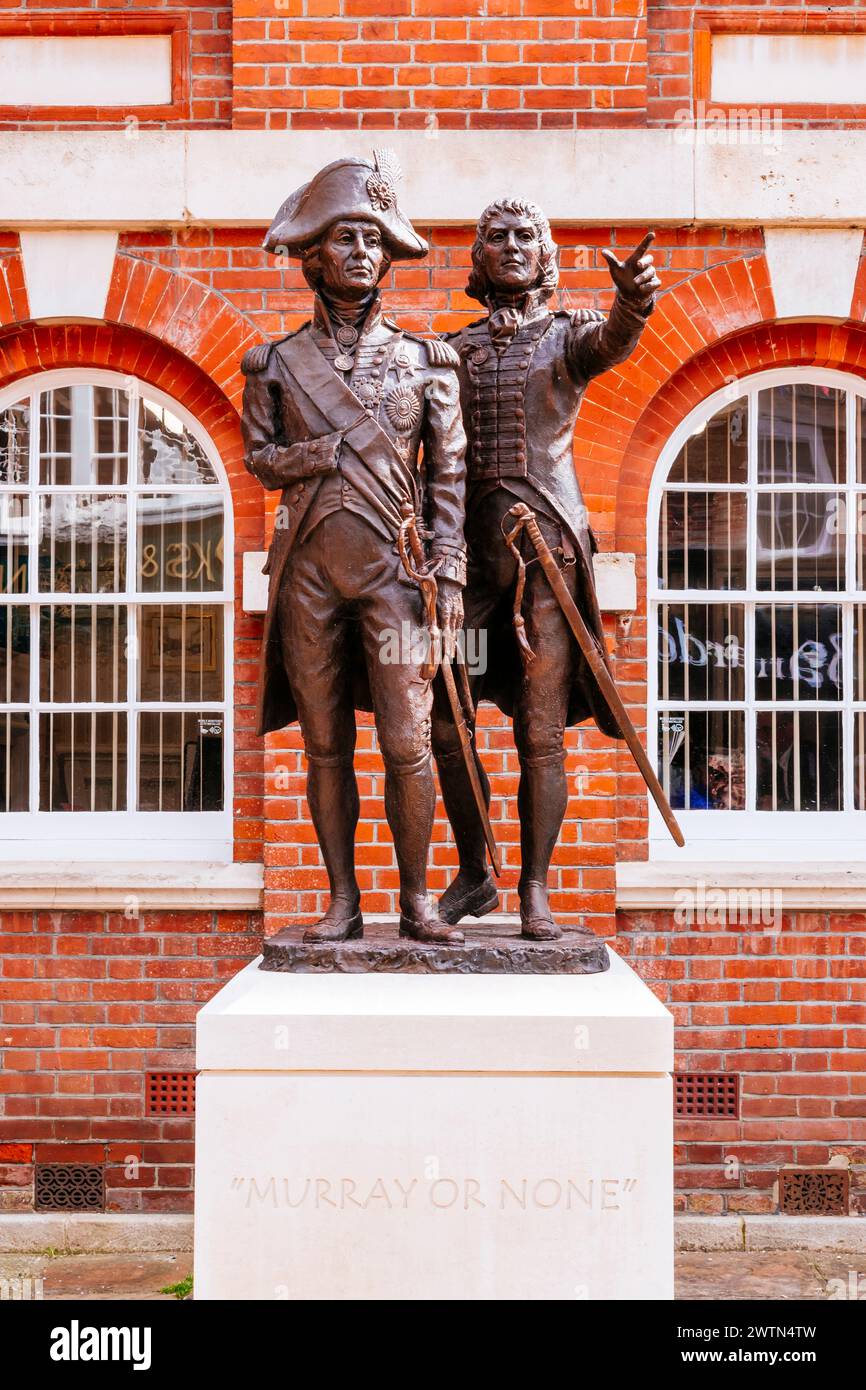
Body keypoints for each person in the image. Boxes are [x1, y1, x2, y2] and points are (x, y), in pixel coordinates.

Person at [241, 152, 468, 944]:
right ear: (312, 257)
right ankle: (343, 901)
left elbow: (450, 475)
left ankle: (417, 903)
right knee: (325, 744)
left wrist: (452, 568)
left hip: (398, 577)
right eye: (346, 238)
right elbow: (260, 458)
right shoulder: (272, 363)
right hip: (307, 572)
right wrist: (317, 454)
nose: (363, 253)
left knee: (408, 741)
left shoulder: (425, 360)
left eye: (375, 239)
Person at [432, 198, 660, 939]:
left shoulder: (569, 339)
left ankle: (535, 888)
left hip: (546, 562)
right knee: (442, 721)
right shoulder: (452, 351)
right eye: (494, 236)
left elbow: (617, 340)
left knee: (541, 733)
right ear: (479, 256)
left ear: (546, 250)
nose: (510, 246)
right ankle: (476, 871)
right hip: (469, 574)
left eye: (524, 235)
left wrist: (632, 300)